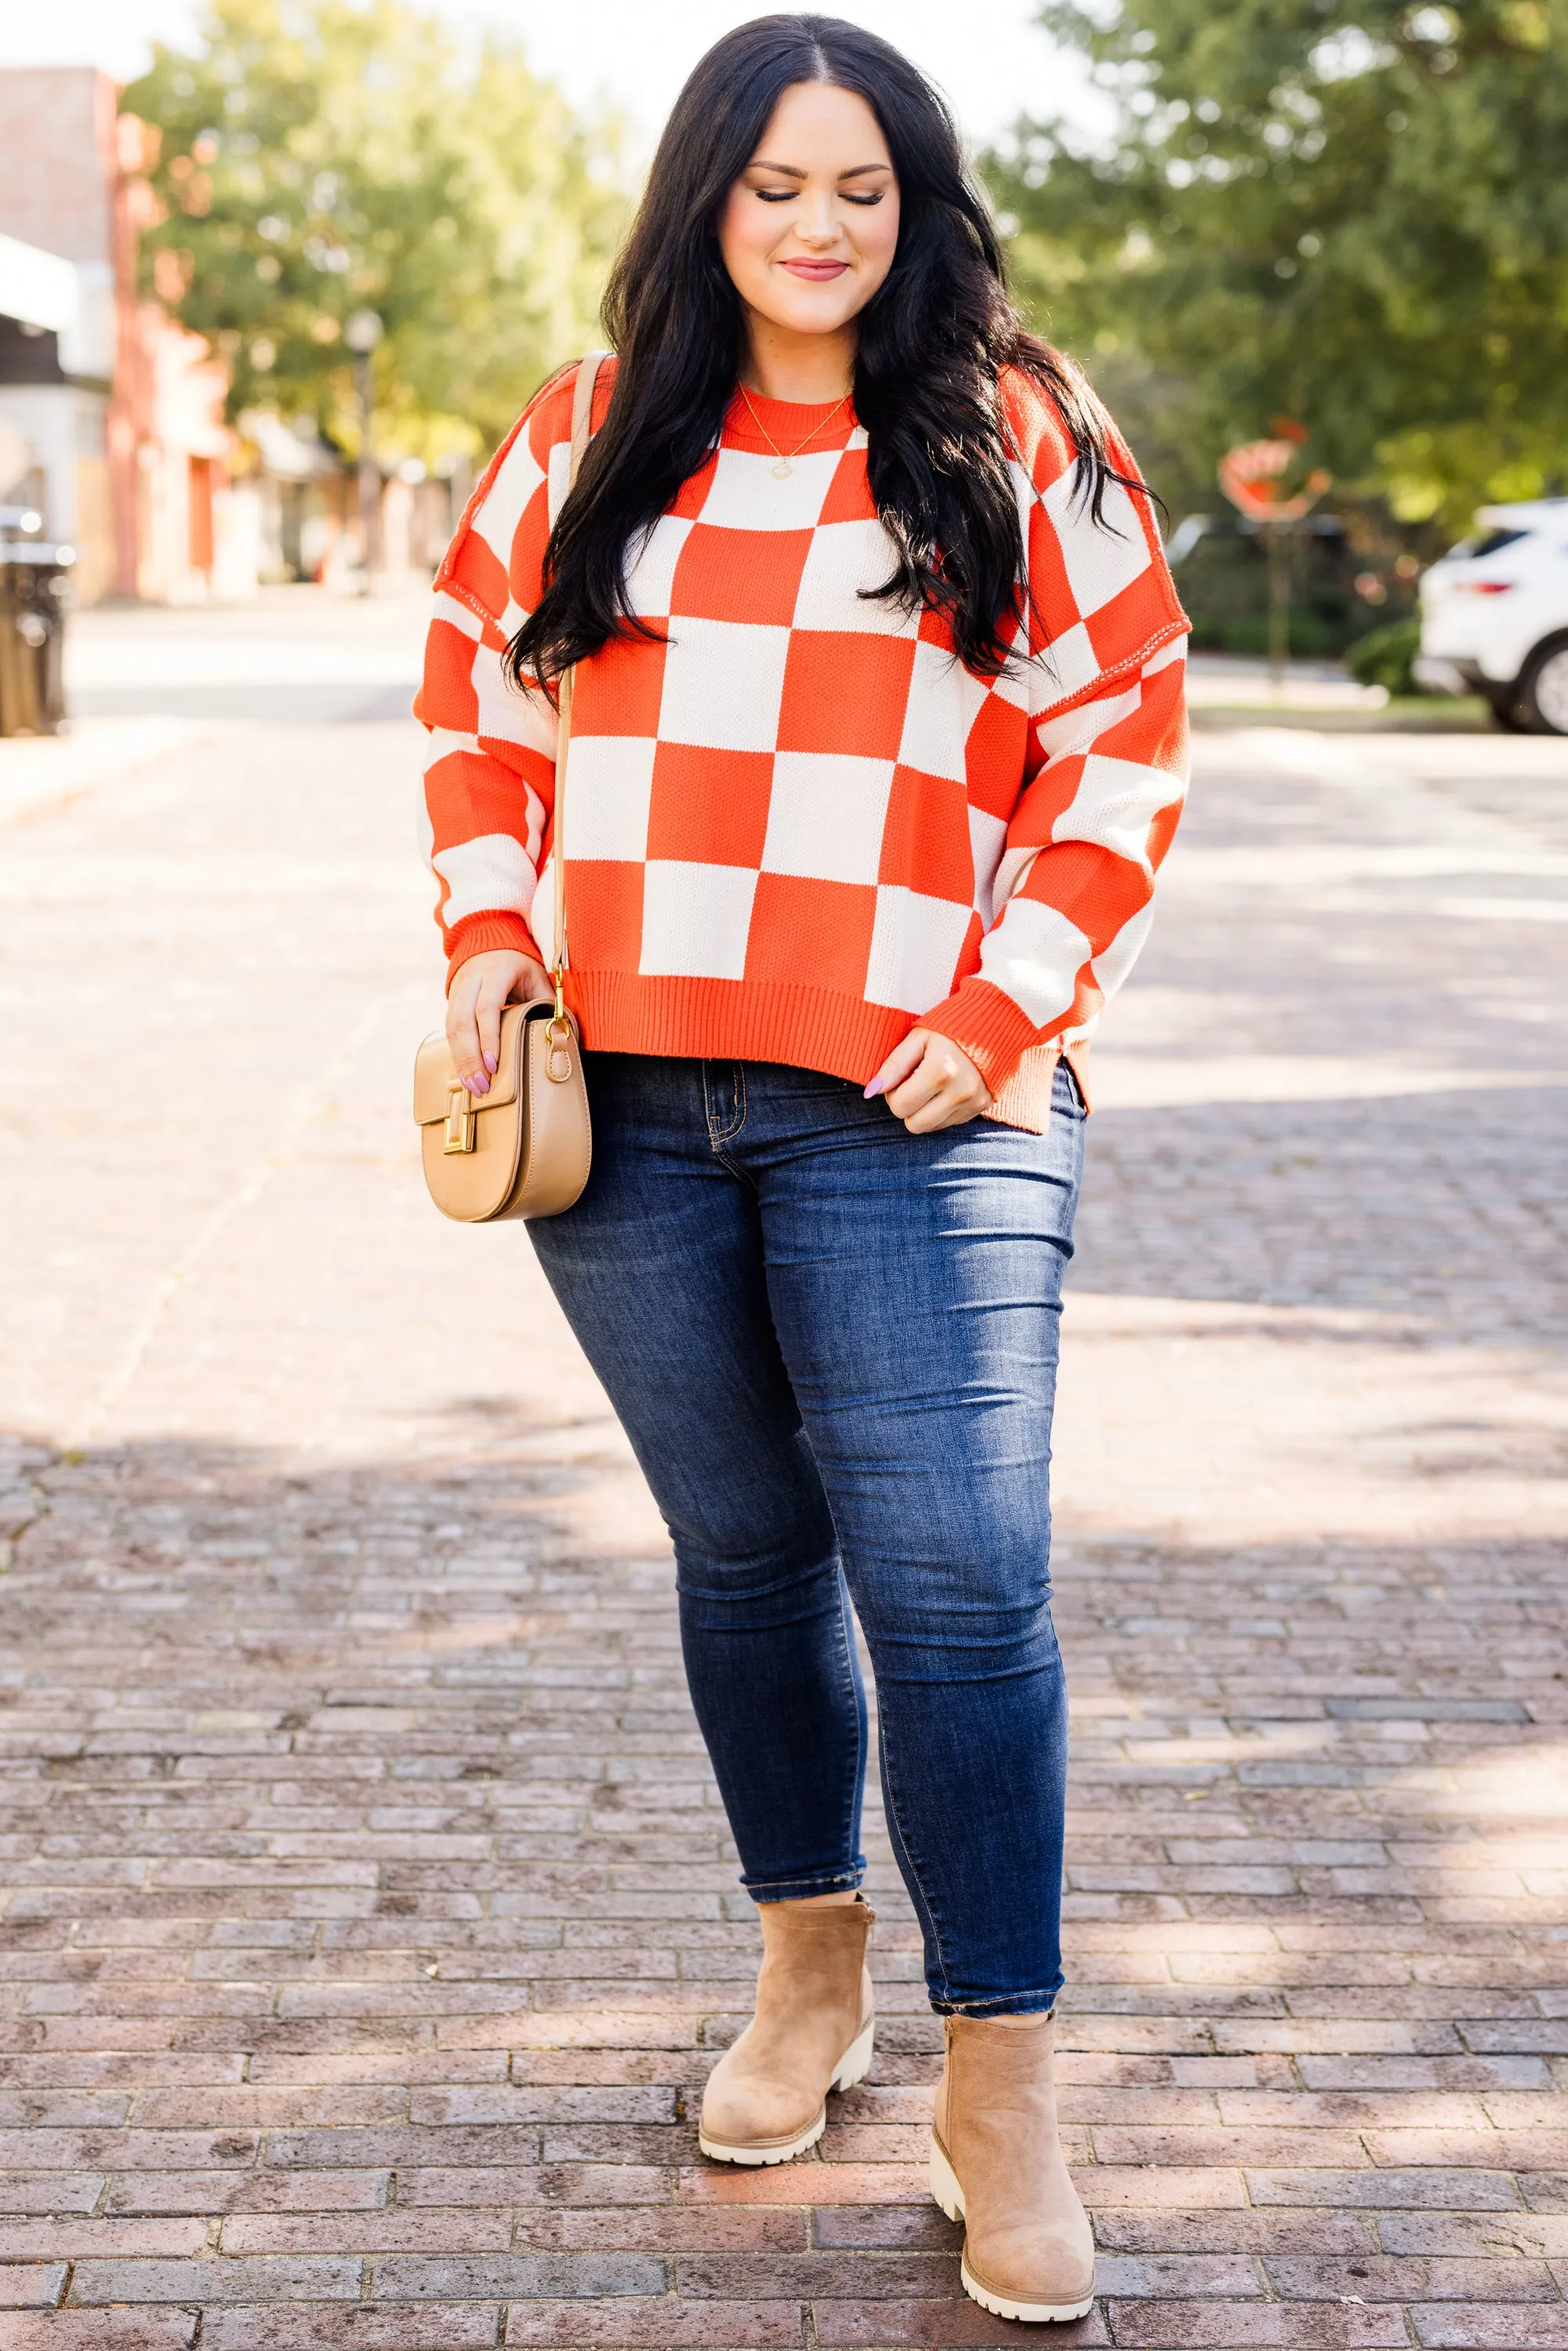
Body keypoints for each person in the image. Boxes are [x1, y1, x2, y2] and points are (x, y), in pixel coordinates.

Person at [416, 13, 1188, 2324]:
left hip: (927, 1097)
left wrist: (1003, 1001)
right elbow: (479, 698)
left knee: (954, 1580)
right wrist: (484, 937)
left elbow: (1124, 731)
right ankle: (807, 1973)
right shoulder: (586, 431)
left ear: (916, 200)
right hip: (634, 1104)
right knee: (747, 1557)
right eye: (779, 185)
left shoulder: (1016, 430)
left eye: (864, 184)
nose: (823, 223)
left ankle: (1004, 2079)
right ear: (707, 203)